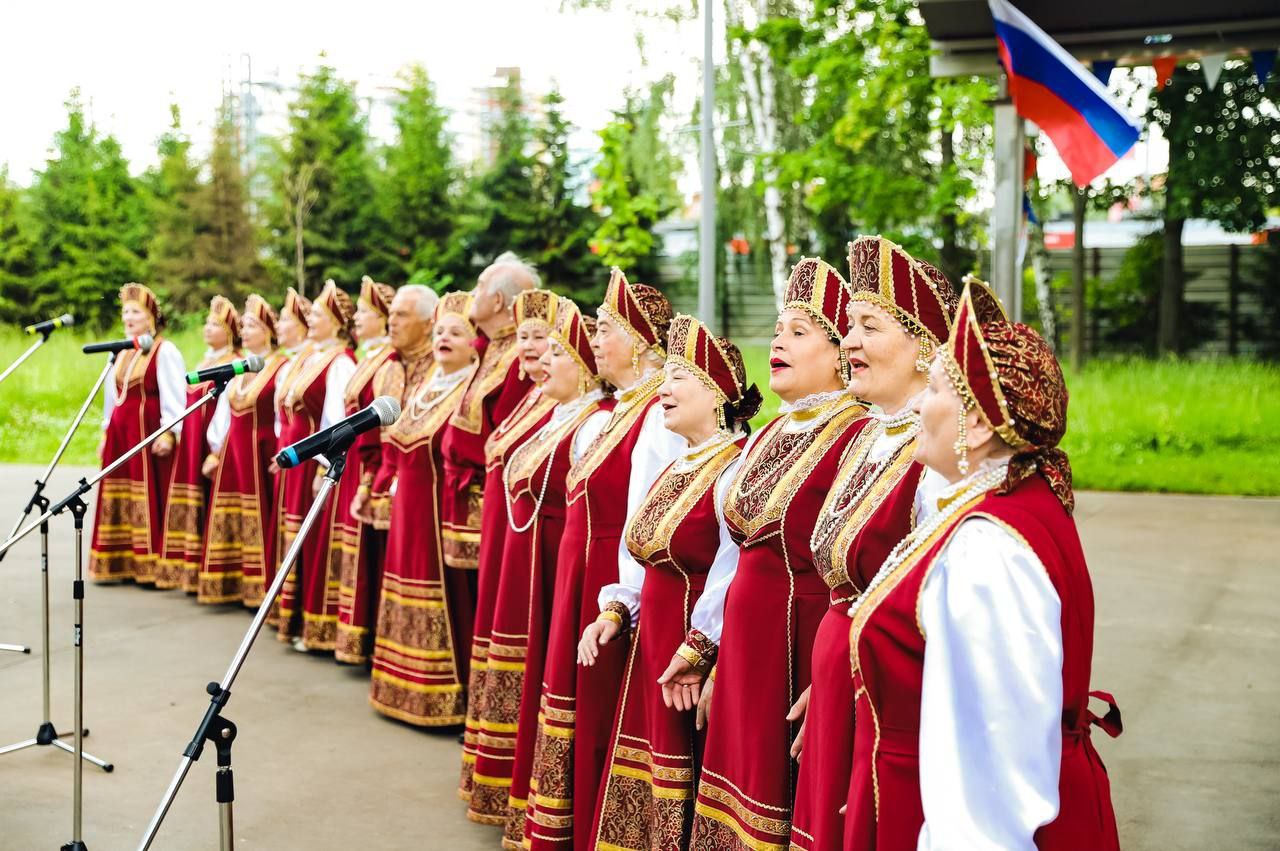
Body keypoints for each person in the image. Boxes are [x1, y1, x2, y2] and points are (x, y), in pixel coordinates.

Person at [843, 281, 1122, 851]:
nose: (920, 402)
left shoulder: (989, 547)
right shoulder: (1014, 501)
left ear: (977, 424)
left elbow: (998, 760)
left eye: (938, 389)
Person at [689, 258, 869, 850]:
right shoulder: (767, 432)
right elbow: (732, 554)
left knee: (784, 799)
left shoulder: (856, 435)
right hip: (747, 646)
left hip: (798, 642)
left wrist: (836, 675)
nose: (778, 341)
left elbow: (866, 563)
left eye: (799, 331)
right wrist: (711, 647)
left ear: (842, 352)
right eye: (775, 329)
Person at [788, 237, 961, 851]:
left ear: (926, 349)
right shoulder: (868, 435)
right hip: (842, 677)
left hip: (891, 693)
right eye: (849, 327)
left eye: (869, 326)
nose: (850, 341)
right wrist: (825, 679)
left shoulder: (938, 453)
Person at [587, 314, 762, 850]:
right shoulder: (680, 464)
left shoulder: (734, 467)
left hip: (688, 651)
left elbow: (734, 569)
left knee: (684, 773)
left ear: (716, 394)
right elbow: (641, 547)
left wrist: (704, 649)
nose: (662, 388)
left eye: (679, 378)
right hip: (654, 642)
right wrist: (616, 610)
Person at [524, 269, 684, 851]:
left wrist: (621, 603)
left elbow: (653, 512)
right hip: (589, 576)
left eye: (606, 327)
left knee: (603, 713)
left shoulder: (657, 412)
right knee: (583, 704)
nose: (594, 338)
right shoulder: (618, 410)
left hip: (616, 578)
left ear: (642, 340)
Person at [502, 301, 613, 850]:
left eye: (555, 353)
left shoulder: (594, 421)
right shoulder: (561, 413)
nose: (541, 362)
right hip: (540, 556)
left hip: (566, 565)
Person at [461, 288, 561, 817]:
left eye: (543, 341)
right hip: (508, 548)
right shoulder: (533, 396)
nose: (533, 350)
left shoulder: (567, 406)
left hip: (533, 557)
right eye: (523, 338)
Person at [369, 291, 479, 726]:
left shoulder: (471, 389)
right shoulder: (424, 385)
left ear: (476, 343)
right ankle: (401, 688)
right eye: (439, 332)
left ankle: (446, 696)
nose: (444, 338)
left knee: (446, 601)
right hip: (408, 512)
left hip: (439, 515)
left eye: (456, 332)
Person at [439, 253, 539, 679]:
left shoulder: (519, 357)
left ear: (497, 300)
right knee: (469, 597)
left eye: (479, 287)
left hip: (488, 498)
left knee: (486, 598)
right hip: (465, 492)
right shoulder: (489, 348)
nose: (472, 294)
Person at [275, 280, 358, 651]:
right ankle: (290, 618)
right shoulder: (312, 356)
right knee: (295, 537)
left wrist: (320, 463)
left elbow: (335, 421)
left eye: (318, 315)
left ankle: (315, 625)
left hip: (314, 461)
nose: (310, 318)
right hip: (296, 459)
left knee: (314, 540)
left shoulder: (340, 362)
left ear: (338, 322)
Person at [89, 283, 187, 584]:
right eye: (125, 312)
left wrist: (169, 432)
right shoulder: (121, 351)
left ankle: (148, 564)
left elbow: (175, 394)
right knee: (120, 491)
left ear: (151, 318)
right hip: (121, 435)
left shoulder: (164, 350)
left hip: (146, 433)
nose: (128, 318)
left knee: (147, 493)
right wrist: (106, 432)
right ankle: (119, 561)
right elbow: (112, 397)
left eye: (135, 312)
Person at [198, 295, 291, 607]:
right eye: (244, 326)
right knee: (230, 513)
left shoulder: (281, 366)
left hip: (262, 451)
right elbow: (224, 416)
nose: (245, 331)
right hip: (233, 454)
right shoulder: (238, 367)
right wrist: (215, 451)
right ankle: (231, 582)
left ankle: (259, 589)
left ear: (269, 330)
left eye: (253, 325)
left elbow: (282, 415)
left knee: (260, 516)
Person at [329, 276, 401, 665]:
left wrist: (372, 477)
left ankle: (367, 636)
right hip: (355, 456)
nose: (355, 318)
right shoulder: (371, 358)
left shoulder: (387, 360)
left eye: (364, 312)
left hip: (371, 461)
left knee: (369, 551)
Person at [157, 295, 242, 592]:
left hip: (211, 444)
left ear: (231, 331)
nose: (207, 328)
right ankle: (187, 568)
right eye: (206, 322)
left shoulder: (235, 363)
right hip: (192, 442)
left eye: (216, 324)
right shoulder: (205, 360)